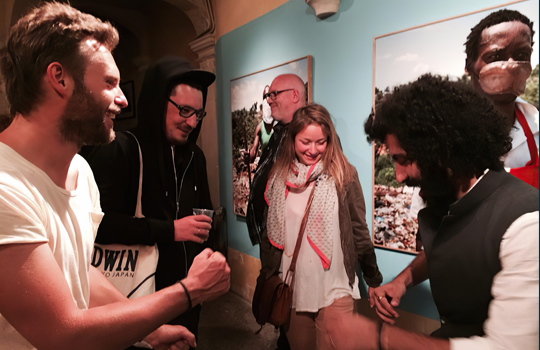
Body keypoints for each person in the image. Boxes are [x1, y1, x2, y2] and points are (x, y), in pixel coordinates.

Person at [0, 3, 230, 350]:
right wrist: (189, 290)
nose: (123, 100)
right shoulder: (5, 187)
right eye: (110, 83)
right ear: (59, 78)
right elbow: (63, 333)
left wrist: (148, 329)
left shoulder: (79, 171)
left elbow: (81, 273)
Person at [326, 74, 539, 350]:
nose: (399, 176)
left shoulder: (526, 224)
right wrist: (403, 280)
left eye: (403, 160)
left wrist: (380, 338)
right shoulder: (446, 196)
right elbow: (449, 245)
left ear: (442, 150)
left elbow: (507, 347)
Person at [81, 55, 215, 344]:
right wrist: (171, 230)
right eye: (184, 110)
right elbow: (96, 226)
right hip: (133, 298)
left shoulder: (195, 157)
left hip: (187, 298)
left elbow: (203, 219)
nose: (192, 122)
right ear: (157, 103)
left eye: (198, 114)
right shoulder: (120, 150)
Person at [261, 104, 382, 350]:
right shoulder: (278, 176)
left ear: (330, 140)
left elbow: (359, 230)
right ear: (293, 138)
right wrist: (267, 275)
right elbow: (269, 235)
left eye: (321, 142)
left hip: (335, 285)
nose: (313, 150)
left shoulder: (344, 174)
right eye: (306, 141)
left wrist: (374, 278)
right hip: (294, 286)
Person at [247, 74, 307, 350]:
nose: (269, 100)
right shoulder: (281, 131)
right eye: (268, 95)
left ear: (295, 95)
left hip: (292, 245)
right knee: (278, 301)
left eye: (274, 94)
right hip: (271, 238)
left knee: (292, 306)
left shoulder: (309, 132)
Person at [465, 9, 538, 186]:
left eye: (522, 55)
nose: (511, 65)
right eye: (495, 57)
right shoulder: (445, 135)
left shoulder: (537, 128)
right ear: (469, 66)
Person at [245, 85, 275, 163]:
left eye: (269, 95)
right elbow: (254, 151)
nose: (267, 98)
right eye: (265, 96)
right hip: (265, 168)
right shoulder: (260, 128)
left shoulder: (280, 124)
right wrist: (248, 157)